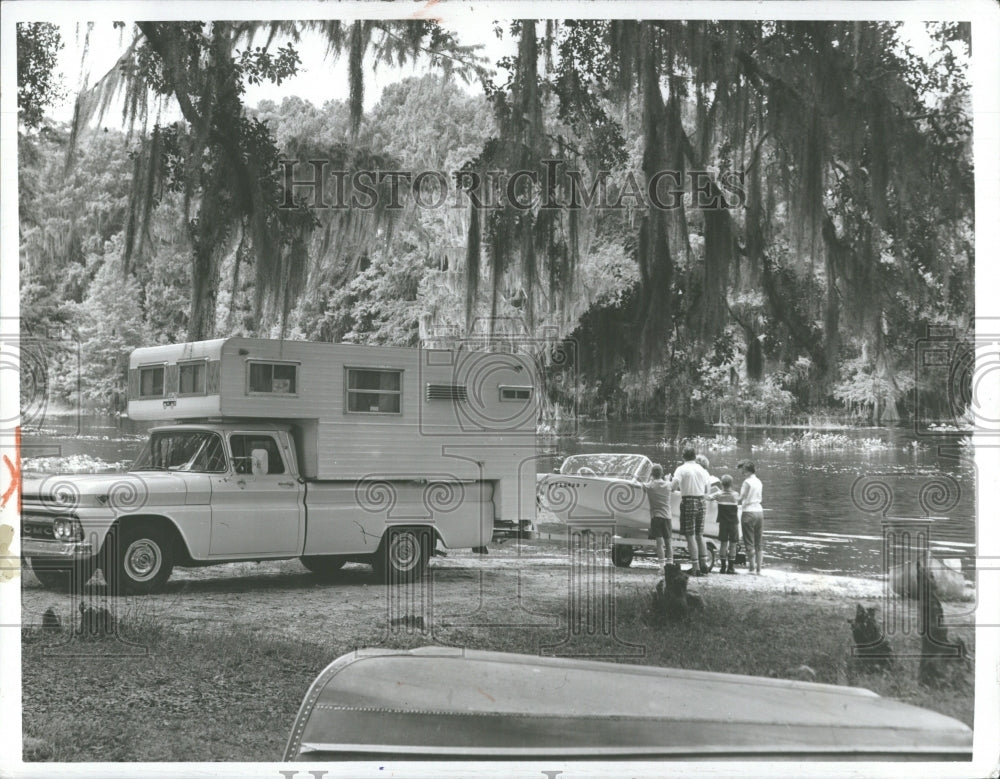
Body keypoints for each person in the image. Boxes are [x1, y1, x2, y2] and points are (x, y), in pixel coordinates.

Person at [670, 446, 711, 576]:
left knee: (690, 535)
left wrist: (668, 481)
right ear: (694, 456)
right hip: (701, 501)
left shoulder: (681, 469)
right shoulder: (702, 469)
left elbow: (673, 487)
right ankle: (704, 564)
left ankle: (695, 567)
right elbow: (707, 489)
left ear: (683, 456)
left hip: (689, 501)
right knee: (699, 534)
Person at [706, 474, 739, 573]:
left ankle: (723, 567)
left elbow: (708, 498)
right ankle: (731, 568)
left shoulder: (718, 495)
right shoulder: (735, 495)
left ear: (721, 484)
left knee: (723, 544)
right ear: (731, 484)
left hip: (723, 523)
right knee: (733, 544)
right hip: (733, 523)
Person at [641, 464, 673, 568]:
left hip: (656, 517)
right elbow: (669, 484)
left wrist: (650, 479)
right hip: (667, 517)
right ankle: (670, 565)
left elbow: (643, 485)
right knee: (668, 543)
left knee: (660, 544)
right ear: (662, 474)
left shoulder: (650, 486)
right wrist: (667, 479)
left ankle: (661, 567)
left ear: (652, 474)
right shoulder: (668, 485)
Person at [738, 460, 764, 575]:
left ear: (747, 470)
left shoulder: (747, 482)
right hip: (759, 511)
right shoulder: (759, 481)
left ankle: (751, 568)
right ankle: (759, 569)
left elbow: (741, 497)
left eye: (742, 470)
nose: (741, 472)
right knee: (758, 543)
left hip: (748, 512)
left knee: (749, 542)